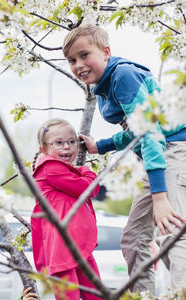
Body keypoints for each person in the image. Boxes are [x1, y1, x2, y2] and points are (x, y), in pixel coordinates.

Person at [62, 24, 186, 294]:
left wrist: (160, 197)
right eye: (72, 60)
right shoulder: (105, 85)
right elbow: (135, 130)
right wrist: (102, 145)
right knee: (133, 239)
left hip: (174, 151)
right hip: (158, 155)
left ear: (106, 52)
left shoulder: (123, 76)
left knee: (171, 234)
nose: (78, 65)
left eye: (84, 55)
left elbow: (150, 133)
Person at [31, 118, 101, 300]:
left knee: (96, 295)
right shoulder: (50, 168)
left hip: (78, 247)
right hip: (61, 250)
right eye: (59, 143)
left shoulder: (64, 170)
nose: (67, 147)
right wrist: (86, 170)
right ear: (43, 149)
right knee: (69, 297)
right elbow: (89, 189)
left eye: (72, 142)